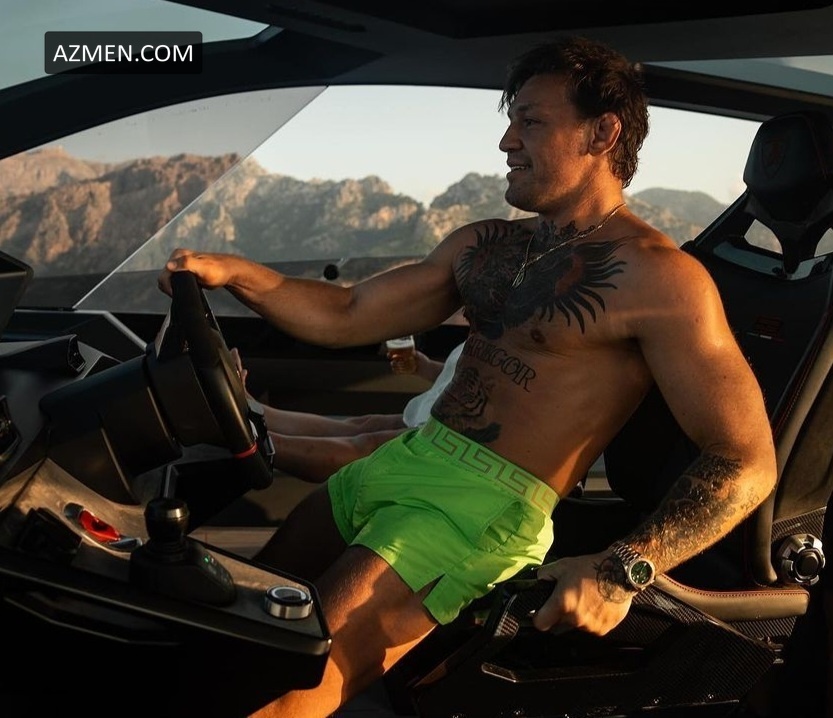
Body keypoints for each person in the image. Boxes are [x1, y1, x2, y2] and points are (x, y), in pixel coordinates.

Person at [157, 35, 777, 718]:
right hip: (401, 461)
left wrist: (620, 569)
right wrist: (236, 274)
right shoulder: (487, 245)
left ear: (602, 133)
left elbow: (745, 460)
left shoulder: (661, 279)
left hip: (478, 508)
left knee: (283, 698)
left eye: (531, 122)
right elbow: (348, 311)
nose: (507, 142)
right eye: (510, 122)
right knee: (243, 634)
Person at [236, 343, 464, 482]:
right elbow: (463, 372)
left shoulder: (485, 317)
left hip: (453, 423)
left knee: (367, 446)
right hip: (438, 407)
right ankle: (257, 413)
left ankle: (253, 441)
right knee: (364, 424)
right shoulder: (479, 323)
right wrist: (425, 367)